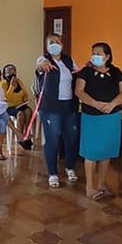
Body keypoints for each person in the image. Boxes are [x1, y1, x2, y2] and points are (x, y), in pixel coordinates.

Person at [75, 43, 122, 201]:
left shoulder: (116, 72)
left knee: (106, 150)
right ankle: (89, 187)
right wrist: (94, 103)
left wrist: (112, 104)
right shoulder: (86, 71)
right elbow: (79, 91)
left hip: (111, 116)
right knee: (90, 152)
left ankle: (102, 183)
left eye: (99, 53)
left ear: (107, 56)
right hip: (91, 116)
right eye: (93, 53)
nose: (95, 56)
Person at [35, 35, 79, 189]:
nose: (54, 45)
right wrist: (43, 64)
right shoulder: (44, 59)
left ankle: (70, 167)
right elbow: (40, 65)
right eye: (51, 43)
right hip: (50, 107)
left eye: (57, 42)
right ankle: (53, 173)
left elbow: (77, 75)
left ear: (62, 44)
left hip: (69, 106)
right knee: (52, 139)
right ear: (47, 46)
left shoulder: (68, 60)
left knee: (71, 138)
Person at [1, 64, 33, 149]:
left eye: (12, 70)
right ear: (4, 74)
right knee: (20, 114)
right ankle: (20, 137)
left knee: (28, 111)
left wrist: (26, 99)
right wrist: (12, 86)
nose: (10, 72)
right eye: (8, 71)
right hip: (8, 107)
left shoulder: (19, 81)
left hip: (20, 105)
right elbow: (6, 98)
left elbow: (25, 93)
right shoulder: (3, 84)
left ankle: (27, 132)